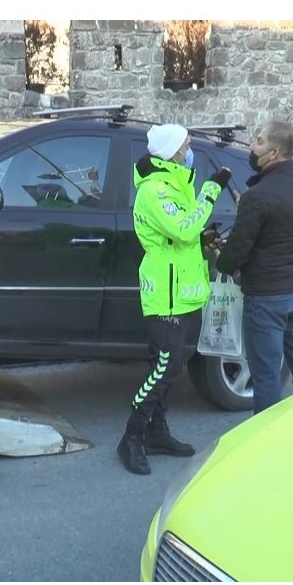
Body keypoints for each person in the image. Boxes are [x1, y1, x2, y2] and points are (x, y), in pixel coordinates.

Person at [117, 123, 229, 475]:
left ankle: (157, 431)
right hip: (165, 296)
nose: (190, 150)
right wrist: (211, 191)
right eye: (186, 145)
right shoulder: (155, 190)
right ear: (171, 151)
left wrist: (203, 239)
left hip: (184, 293)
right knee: (163, 368)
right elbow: (182, 227)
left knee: (172, 367)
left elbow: (183, 236)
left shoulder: (177, 185)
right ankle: (131, 437)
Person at [214, 120, 293, 415]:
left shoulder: (257, 196)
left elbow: (234, 255)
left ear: (273, 152)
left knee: (266, 376)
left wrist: (219, 256)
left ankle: (266, 442)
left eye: (258, 141)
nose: (252, 146)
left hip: (267, 299)